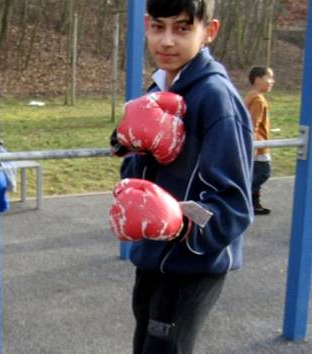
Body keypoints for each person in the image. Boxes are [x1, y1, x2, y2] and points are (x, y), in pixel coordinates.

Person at [108, 1, 254, 353]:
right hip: (152, 256)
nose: (168, 41)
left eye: (183, 28)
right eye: (159, 27)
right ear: (146, 25)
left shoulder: (216, 99)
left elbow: (235, 206)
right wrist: (131, 147)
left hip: (193, 265)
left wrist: (181, 223)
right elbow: (139, 178)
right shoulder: (158, 91)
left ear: (210, 31)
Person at [244, 66, 275, 215]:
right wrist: (254, 146)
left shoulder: (251, 96)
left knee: (254, 173)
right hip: (259, 145)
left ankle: (254, 204)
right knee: (264, 172)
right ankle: (242, 197)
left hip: (257, 144)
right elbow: (252, 124)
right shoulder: (258, 100)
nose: (272, 82)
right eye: (269, 78)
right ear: (257, 80)